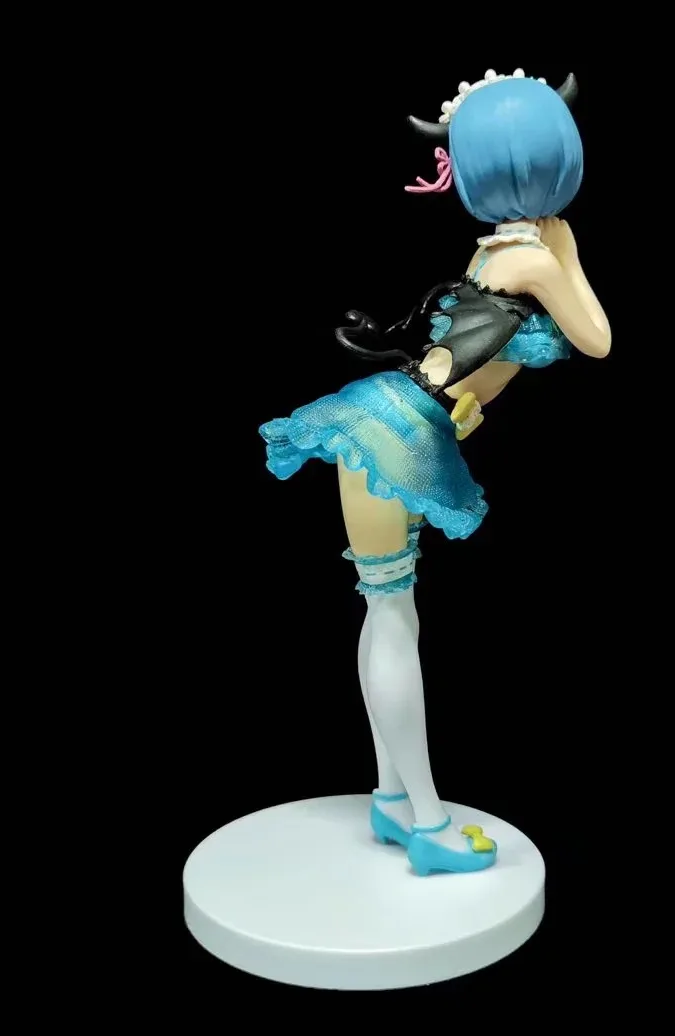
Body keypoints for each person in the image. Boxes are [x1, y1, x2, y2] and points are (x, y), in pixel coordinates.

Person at [259, 69, 611, 876]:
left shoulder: (494, 247)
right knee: (391, 615)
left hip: (405, 422)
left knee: (392, 614)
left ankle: (392, 800)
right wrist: (570, 256)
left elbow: (475, 354)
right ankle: (428, 823)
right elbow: (596, 339)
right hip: (397, 431)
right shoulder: (530, 259)